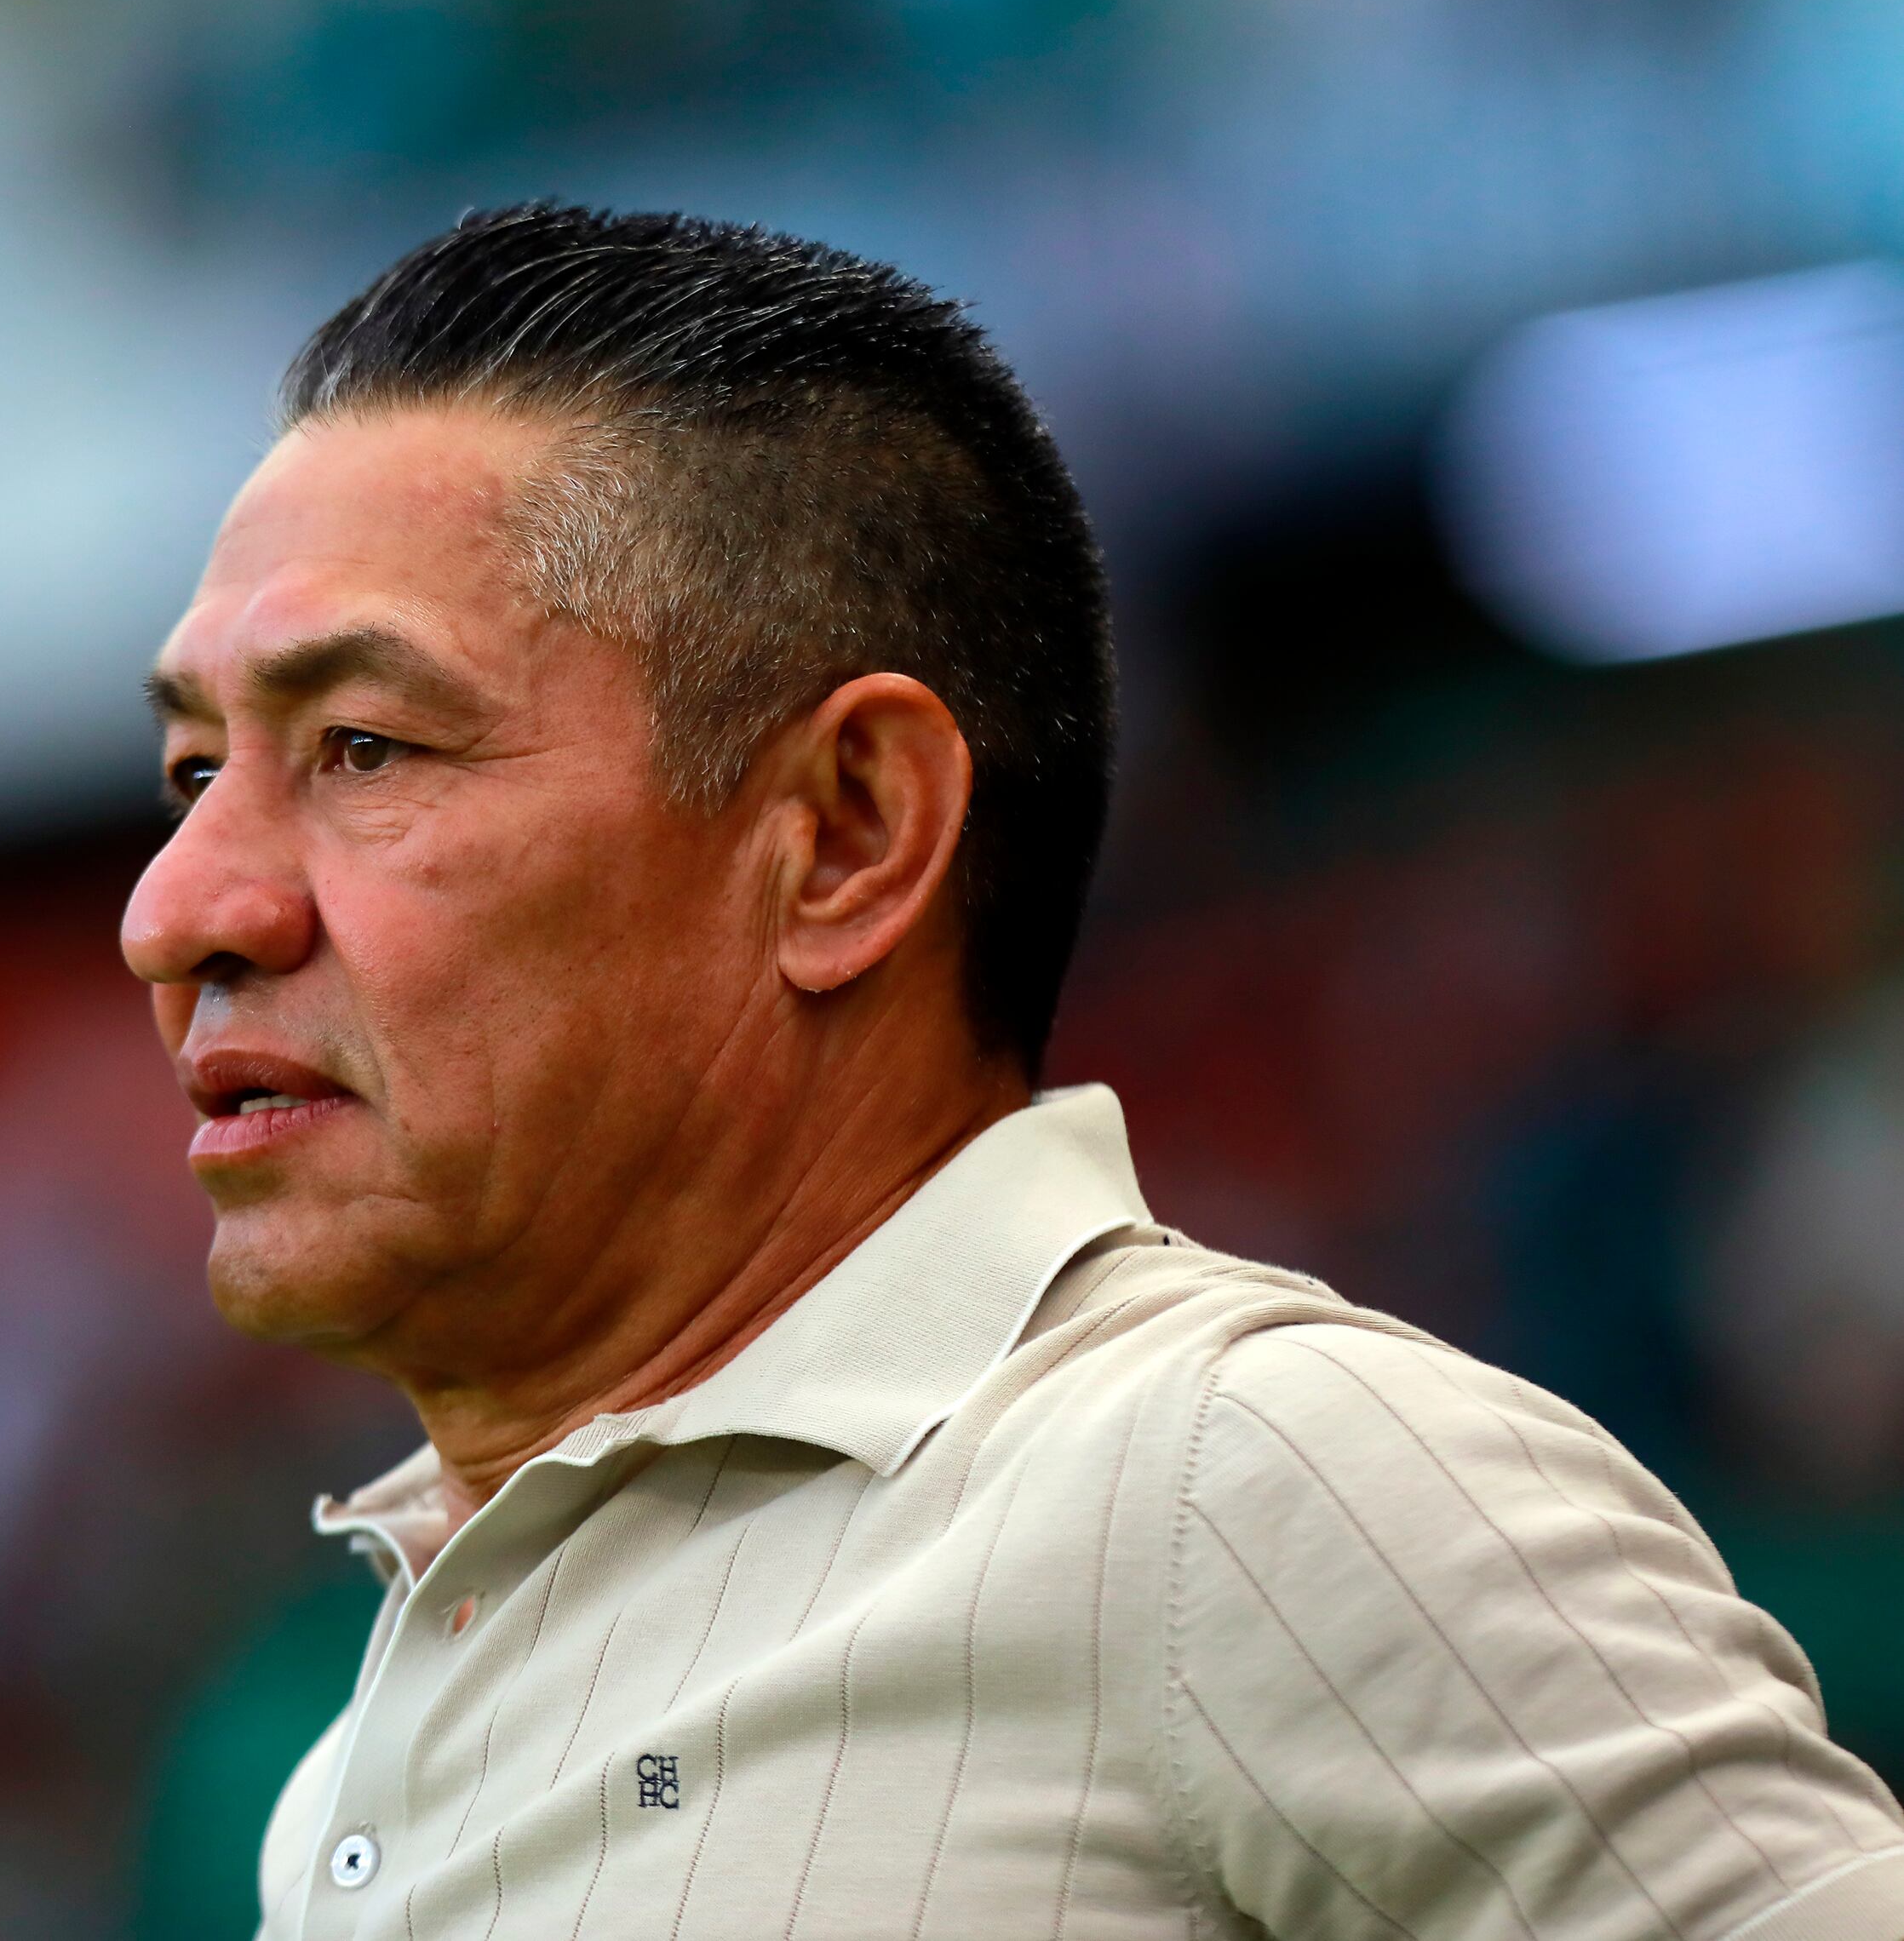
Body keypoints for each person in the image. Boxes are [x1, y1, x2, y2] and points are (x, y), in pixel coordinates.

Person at [118, 204, 1904, 1940]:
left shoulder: (1255, 1483)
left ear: (845, 833)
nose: (175, 911)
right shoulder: (335, 1784)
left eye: (364, 745)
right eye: (196, 774)